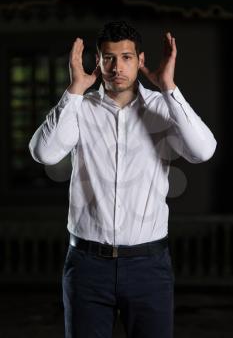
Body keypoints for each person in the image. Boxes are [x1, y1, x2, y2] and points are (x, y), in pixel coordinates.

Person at [29, 20, 217, 338]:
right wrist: (74, 89)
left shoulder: (163, 108)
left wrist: (169, 88)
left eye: (127, 57)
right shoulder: (80, 108)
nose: (118, 67)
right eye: (109, 58)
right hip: (87, 265)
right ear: (98, 61)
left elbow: (203, 151)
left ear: (140, 60)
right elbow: (43, 153)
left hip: (149, 266)